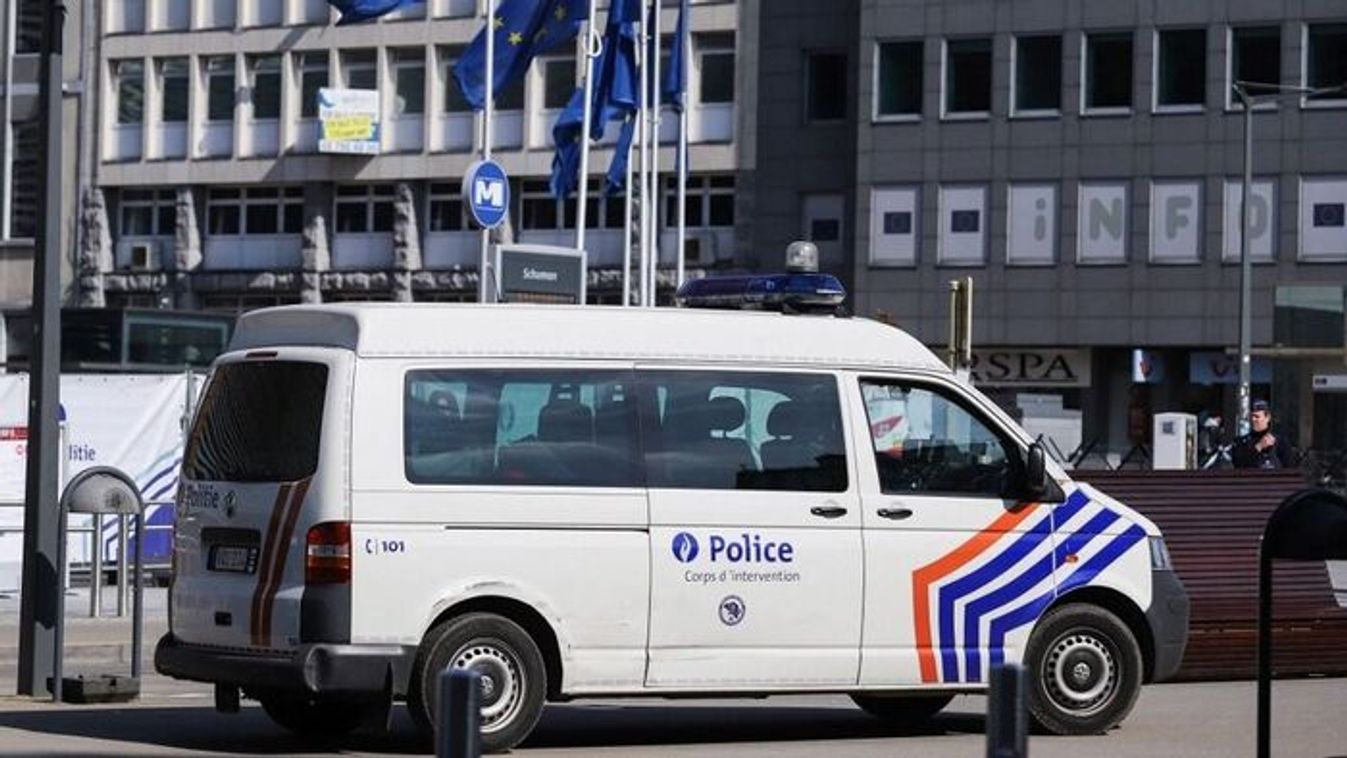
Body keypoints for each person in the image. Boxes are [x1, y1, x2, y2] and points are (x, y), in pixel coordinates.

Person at [1231, 400, 1294, 469]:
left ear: (1267, 418)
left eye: (1257, 416)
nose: (1253, 419)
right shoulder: (1242, 442)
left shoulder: (1280, 442)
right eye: (1252, 416)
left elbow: (1289, 466)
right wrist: (1258, 447)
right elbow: (1239, 465)